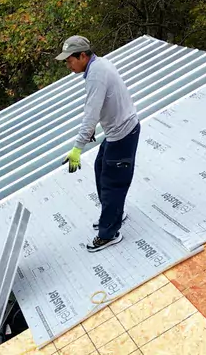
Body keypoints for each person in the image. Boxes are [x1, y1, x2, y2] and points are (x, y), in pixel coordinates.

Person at [56, 35, 140, 253]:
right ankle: (114, 214)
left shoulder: (96, 75)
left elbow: (90, 114)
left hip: (122, 134)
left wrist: (77, 148)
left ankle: (108, 233)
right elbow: (100, 105)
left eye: (69, 60)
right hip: (118, 131)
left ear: (82, 55)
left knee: (113, 183)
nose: (68, 64)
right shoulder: (96, 66)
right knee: (101, 167)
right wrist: (93, 130)